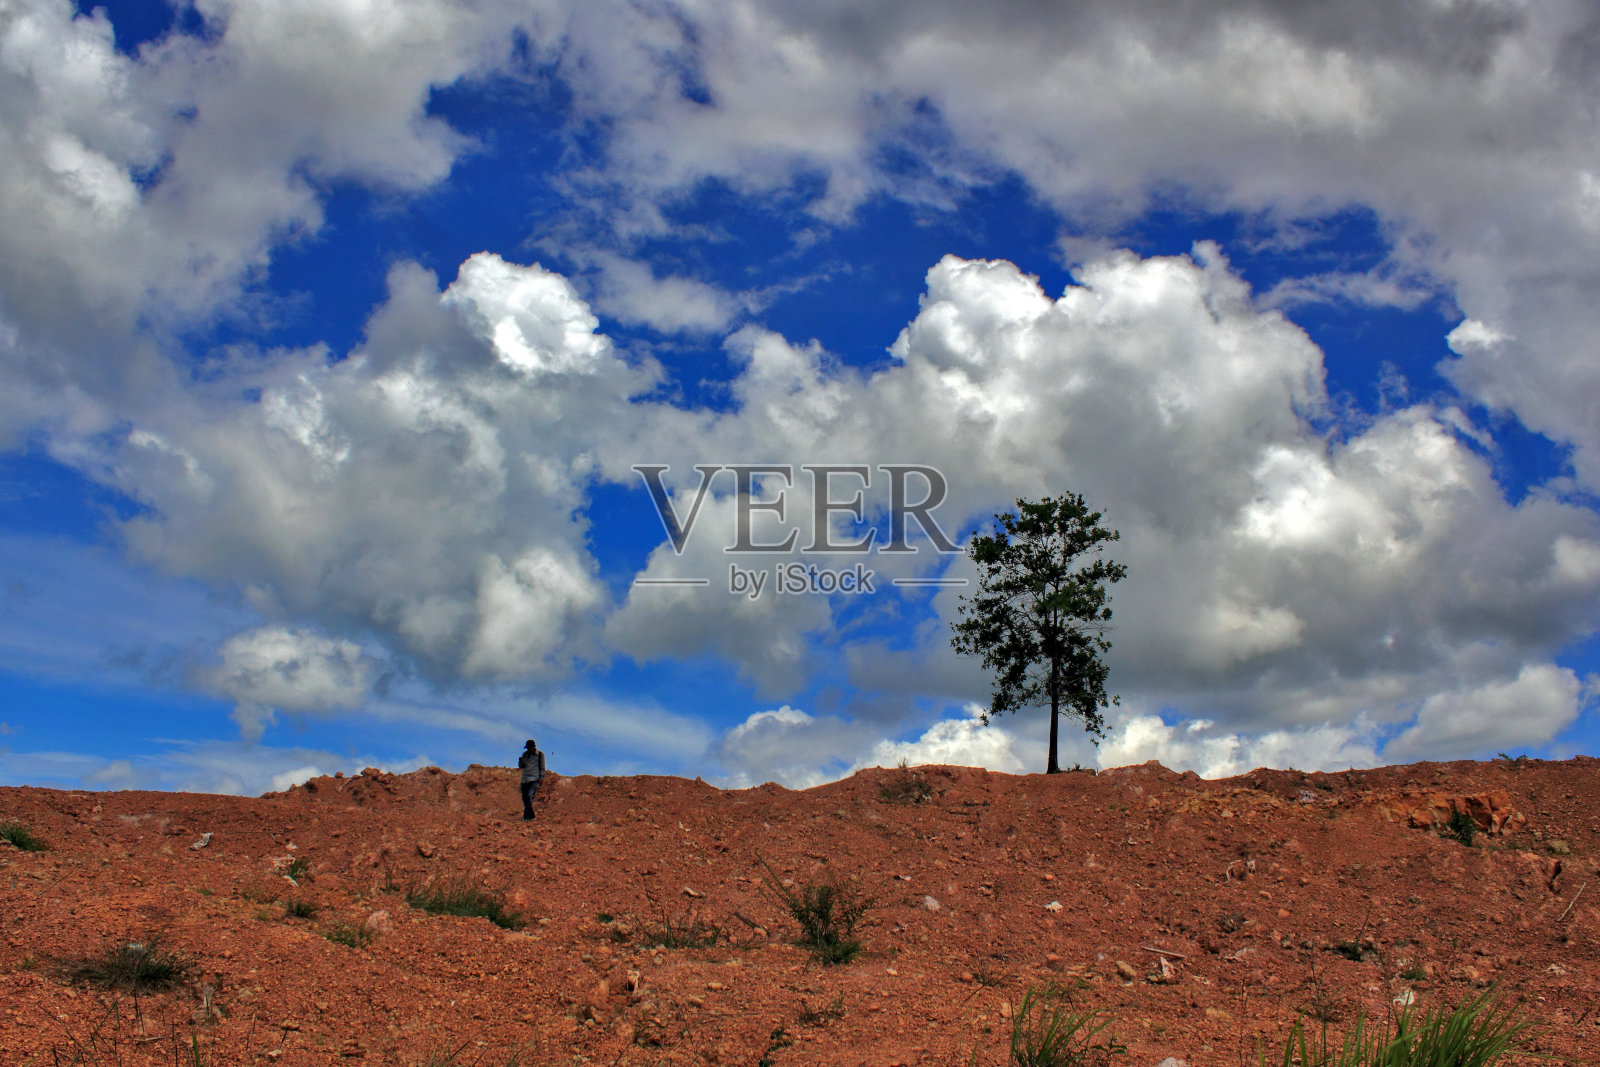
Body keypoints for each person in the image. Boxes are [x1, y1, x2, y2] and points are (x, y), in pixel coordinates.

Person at [518, 739, 545, 820]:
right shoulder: (525, 754)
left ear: (533, 747)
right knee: (524, 797)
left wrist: (541, 778)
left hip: (534, 778)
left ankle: (526, 816)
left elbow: (542, 767)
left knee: (530, 796)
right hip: (524, 779)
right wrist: (520, 761)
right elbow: (521, 766)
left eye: (529, 748)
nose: (528, 749)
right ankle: (532, 816)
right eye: (527, 748)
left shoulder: (540, 754)